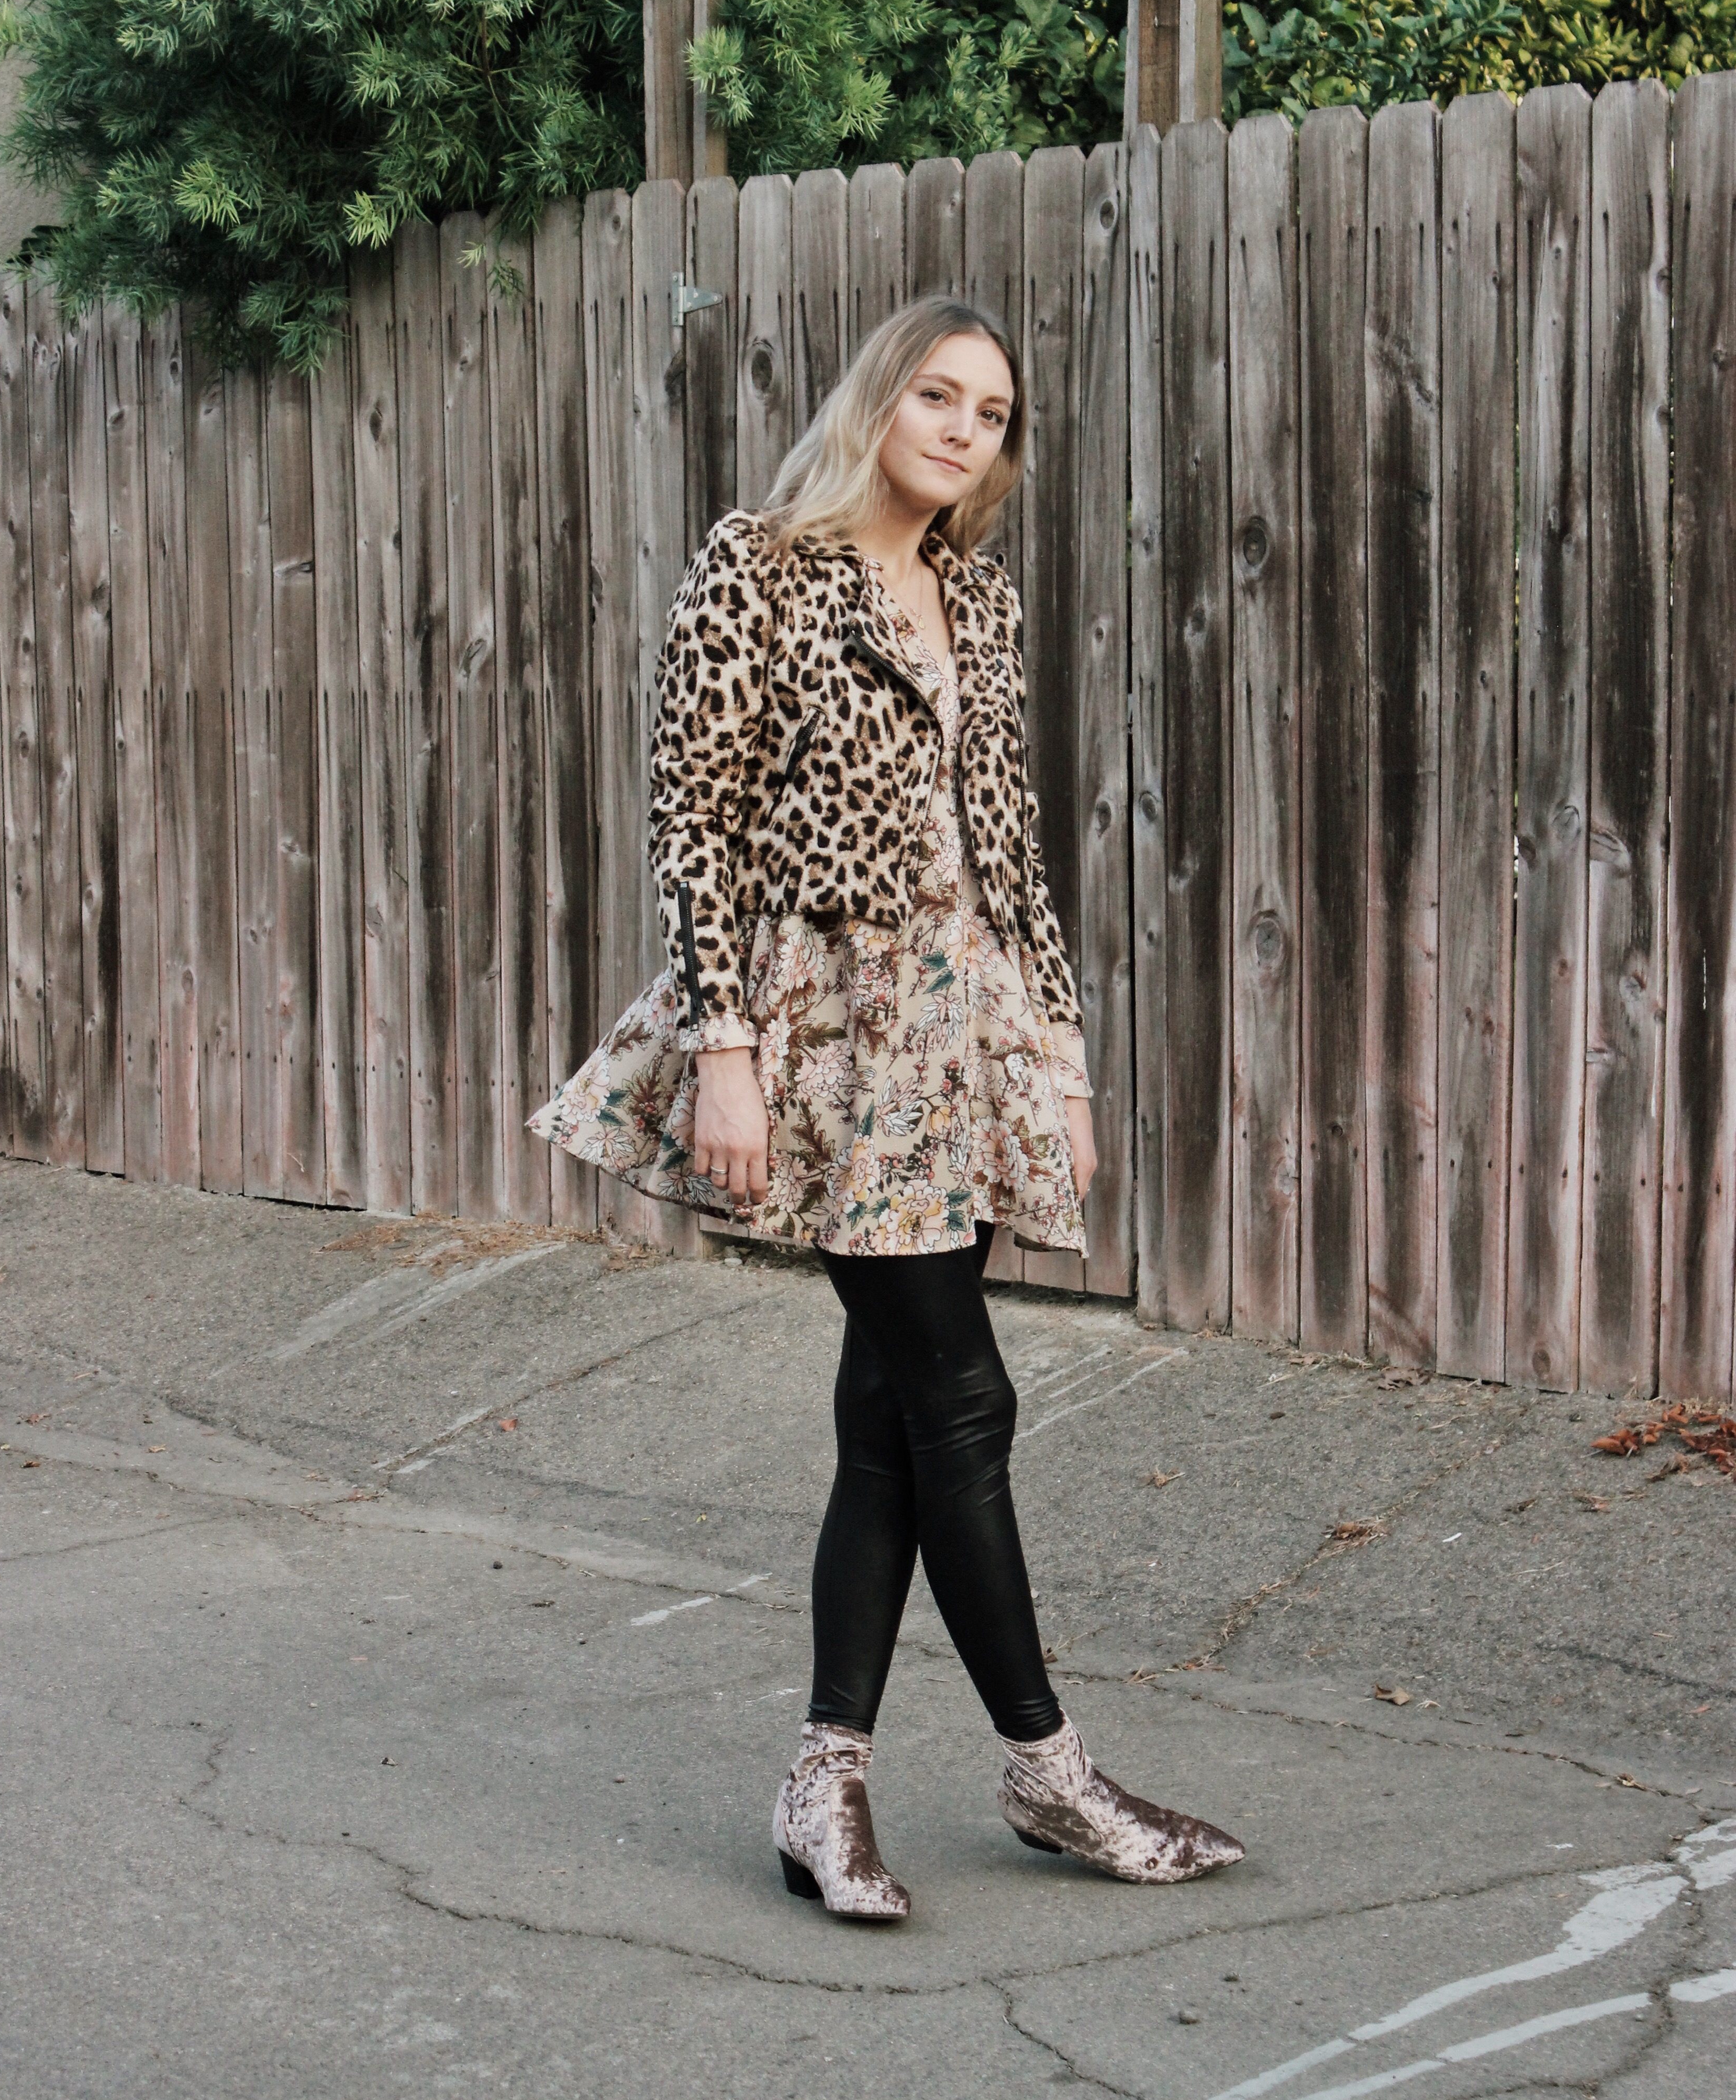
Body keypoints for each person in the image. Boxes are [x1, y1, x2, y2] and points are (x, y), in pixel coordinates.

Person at [533, 296, 1243, 1924]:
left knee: (894, 1415)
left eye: (991, 415)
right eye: (940, 395)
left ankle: (824, 1781)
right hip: (826, 1022)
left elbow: (1010, 840)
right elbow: (694, 824)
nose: (964, 431)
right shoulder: (760, 565)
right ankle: (1050, 1771)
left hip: (962, 1026)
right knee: (963, 1398)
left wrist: (1059, 1061)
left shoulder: (976, 597)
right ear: (881, 398)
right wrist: (726, 1046)